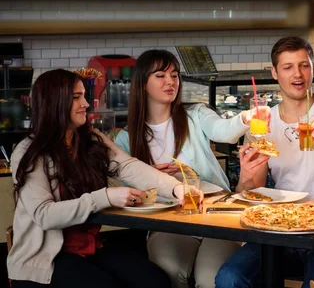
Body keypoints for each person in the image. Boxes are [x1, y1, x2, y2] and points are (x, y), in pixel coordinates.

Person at [8, 69, 187, 288]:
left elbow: (128, 167)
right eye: (76, 97)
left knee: (154, 280)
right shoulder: (29, 151)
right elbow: (45, 215)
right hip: (45, 259)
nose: (85, 103)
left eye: (83, 95)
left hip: (90, 246)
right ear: (53, 102)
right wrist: (105, 197)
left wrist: (177, 189)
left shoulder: (89, 139)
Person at [215, 36, 314, 288]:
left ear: (313, 68)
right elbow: (252, 190)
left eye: (304, 65)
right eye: (288, 67)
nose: (298, 74)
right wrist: (247, 174)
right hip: (282, 229)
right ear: (274, 72)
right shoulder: (263, 123)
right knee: (230, 277)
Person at [115, 49, 269, 288]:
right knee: (170, 269)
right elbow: (128, 194)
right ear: (142, 83)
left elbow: (223, 132)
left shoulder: (195, 114)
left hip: (215, 216)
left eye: (175, 75)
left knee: (210, 278)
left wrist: (246, 118)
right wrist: (150, 178)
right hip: (168, 222)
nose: (170, 81)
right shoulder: (126, 138)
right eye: (160, 75)